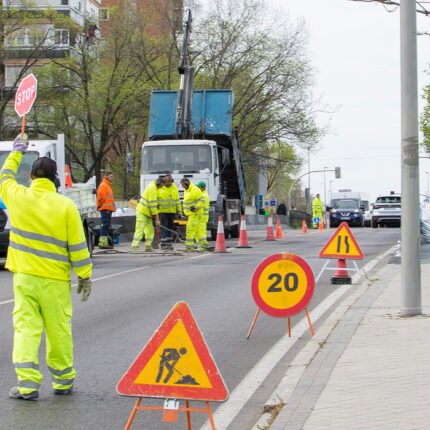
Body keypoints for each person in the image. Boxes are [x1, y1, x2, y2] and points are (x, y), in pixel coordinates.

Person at [0, 135, 93, 400]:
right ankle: (63, 381)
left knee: (26, 329)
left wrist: (17, 151)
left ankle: (27, 386)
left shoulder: (17, 196)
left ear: (30, 176)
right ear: (54, 180)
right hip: (55, 281)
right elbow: (78, 247)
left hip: (25, 279)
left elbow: (3, 177)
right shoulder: (66, 206)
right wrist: (85, 277)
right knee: (58, 330)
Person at [131, 177, 165, 252]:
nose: (162, 187)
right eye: (163, 185)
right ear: (161, 183)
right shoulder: (152, 188)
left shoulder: (155, 188)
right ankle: (134, 246)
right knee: (140, 229)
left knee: (150, 230)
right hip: (142, 211)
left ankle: (148, 246)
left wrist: (155, 216)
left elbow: (155, 205)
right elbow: (153, 205)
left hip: (148, 213)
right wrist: (156, 218)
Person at [157, 174, 181, 251]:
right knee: (164, 227)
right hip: (162, 211)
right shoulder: (160, 188)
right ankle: (163, 244)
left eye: (170, 181)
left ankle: (169, 244)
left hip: (171, 212)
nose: (168, 183)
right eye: (167, 181)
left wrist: (179, 210)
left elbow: (177, 200)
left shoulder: (174, 188)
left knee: (170, 228)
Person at [180, 178, 204, 252]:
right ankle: (202, 246)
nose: (182, 187)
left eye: (183, 185)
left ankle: (190, 247)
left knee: (190, 230)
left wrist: (197, 207)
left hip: (195, 213)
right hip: (190, 214)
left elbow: (202, 200)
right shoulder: (187, 190)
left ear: (186, 183)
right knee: (197, 231)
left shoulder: (195, 189)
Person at [96, 171, 115, 249]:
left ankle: (105, 242)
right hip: (105, 209)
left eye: (112, 177)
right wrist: (100, 206)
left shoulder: (107, 185)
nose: (112, 178)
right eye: (110, 177)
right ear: (106, 177)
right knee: (105, 226)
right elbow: (100, 198)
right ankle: (103, 243)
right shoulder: (104, 186)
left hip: (107, 209)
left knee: (106, 226)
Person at [196, 181, 210, 251]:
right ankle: (201, 245)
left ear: (203, 188)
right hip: (202, 217)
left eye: (198, 187)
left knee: (201, 232)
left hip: (202, 217)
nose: (197, 189)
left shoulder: (203, 196)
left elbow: (200, 206)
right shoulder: (203, 194)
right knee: (200, 232)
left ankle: (203, 246)